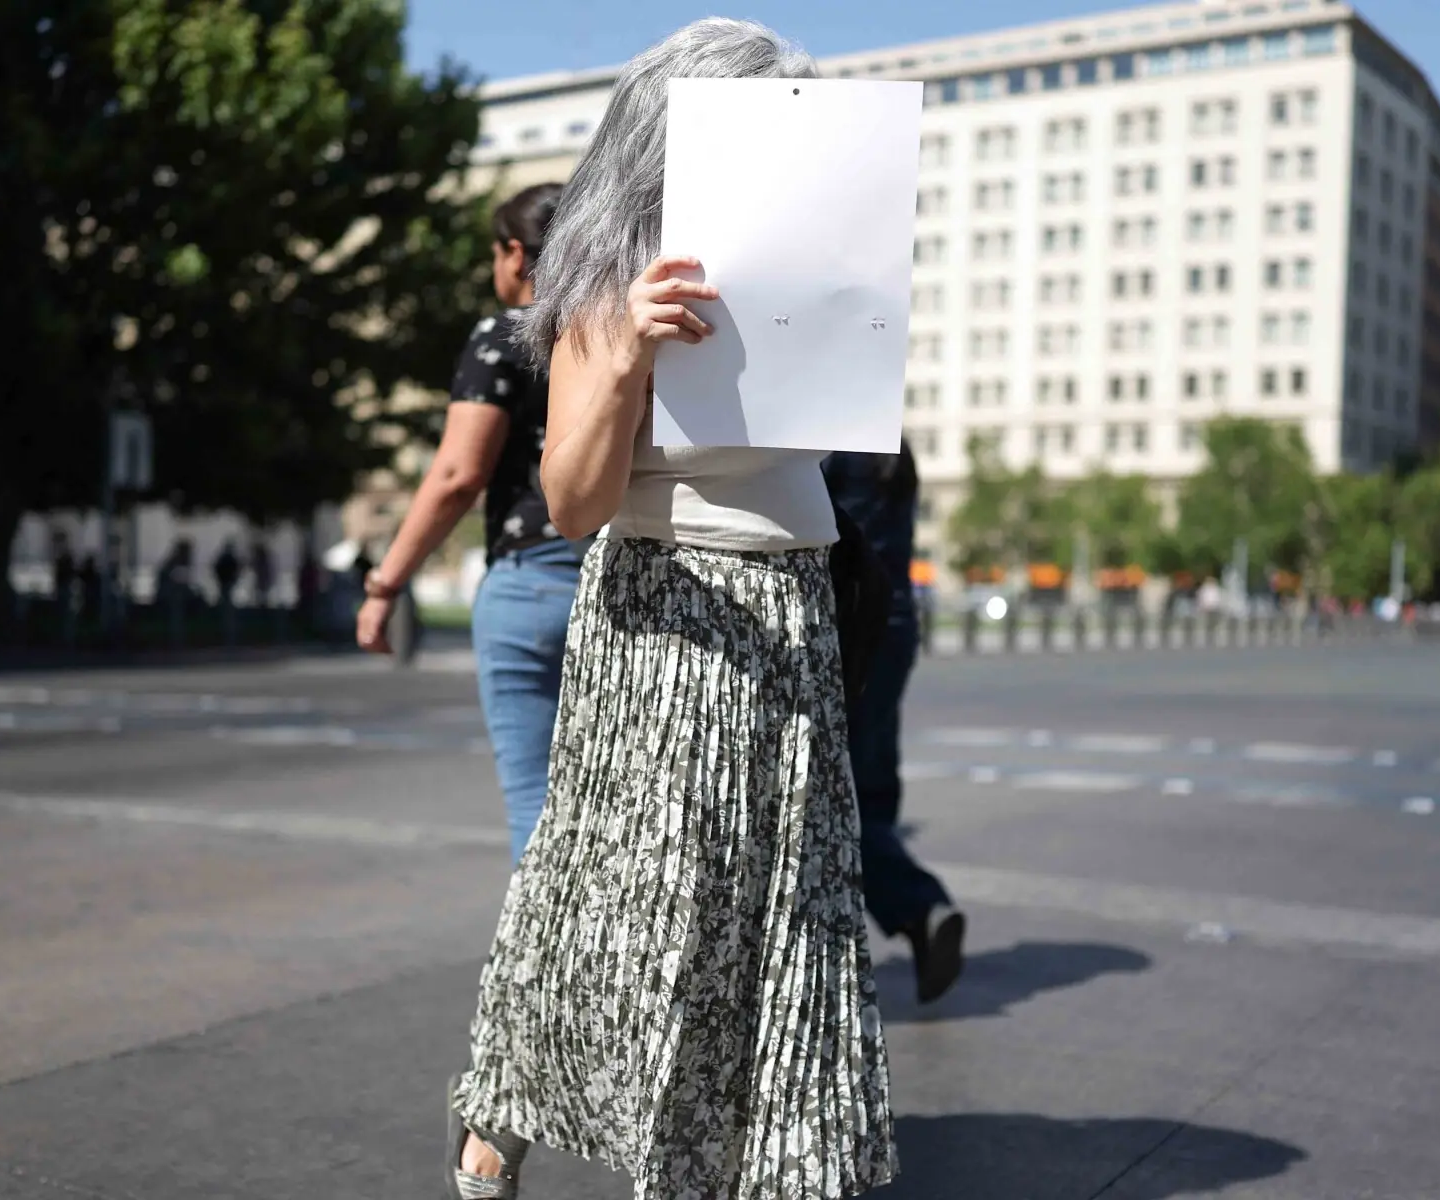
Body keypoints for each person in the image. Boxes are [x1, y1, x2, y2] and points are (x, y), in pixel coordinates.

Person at [447, 21, 894, 1200]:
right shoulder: (608, 278)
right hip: (667, 607)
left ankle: (757, 1159)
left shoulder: (818, 259)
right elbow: (570, 503)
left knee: (781, 901)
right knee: (625, 900)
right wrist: (628, 355)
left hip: (788, 608)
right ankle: (505, 1114)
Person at [356, 181, 574, 863]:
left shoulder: (504, 336)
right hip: (617, 577)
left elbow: (456, 475)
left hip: (533, 578)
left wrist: (385, 584)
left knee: (539, 813)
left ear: (514, 254)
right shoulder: (611, 334)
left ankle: (538, 937)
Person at [824, 441, 966, 1004]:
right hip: (896, 622)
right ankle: (918, 916)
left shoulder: (830, 442)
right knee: (871, 779)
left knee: (834, 793)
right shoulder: (893, 451)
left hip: (847, 622)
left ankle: (915, 905)